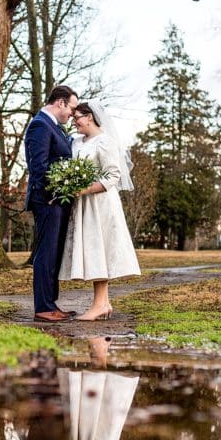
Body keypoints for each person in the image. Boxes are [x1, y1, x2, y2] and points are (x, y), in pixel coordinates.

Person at [59, 100, 141, 321]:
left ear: (90, 117)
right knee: (92, 250)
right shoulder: (76, 142)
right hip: (84, 206)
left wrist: (84, 189)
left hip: (101, 204)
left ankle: (99, 305)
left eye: (77, 118)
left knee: (100, 249)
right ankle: (103, 303)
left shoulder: (104, 142)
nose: (75, 123)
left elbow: (113, 176)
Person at [24, 85, 80, 322]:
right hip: (47, 200)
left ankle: (51, 304)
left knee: (54, 254)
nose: (73, 114)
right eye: (72, 108)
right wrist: (52, 194)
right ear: (60, 103)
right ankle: (43, 307)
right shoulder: (40, 125)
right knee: (45, 254)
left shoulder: (54, 128)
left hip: (58, 201)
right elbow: (38, 167)